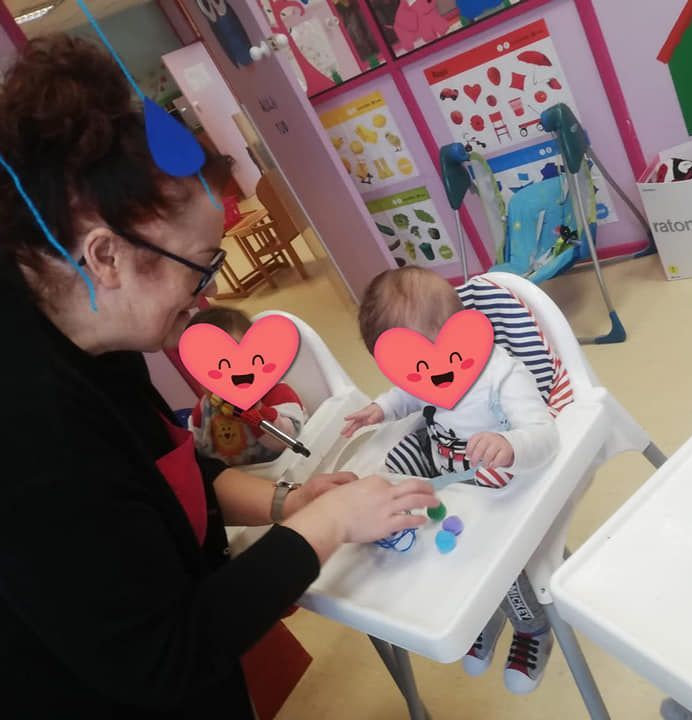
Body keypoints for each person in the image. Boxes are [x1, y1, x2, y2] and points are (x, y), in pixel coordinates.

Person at [0, 35, 437, 719]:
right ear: (108, 257)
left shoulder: (86, 322)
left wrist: (285, 504)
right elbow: (166, 656)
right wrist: (325, 523)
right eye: (201, 266)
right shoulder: (30, 430)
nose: (205, 297)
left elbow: (156, 472)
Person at [341, 266, 561, 694]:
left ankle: (532, 628)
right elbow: (408, 395)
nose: (415, 377)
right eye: (405, 368)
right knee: (449, 559)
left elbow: (545, 436)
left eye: (417, 363)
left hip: (501, 488)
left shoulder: (504, 375)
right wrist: (381, 408)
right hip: (452, 483)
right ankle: (482, 612)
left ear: (453, 334)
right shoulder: (423, 374)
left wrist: (510, 444)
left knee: (496, 564)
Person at [187, 307, 306, 466]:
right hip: (240, 481)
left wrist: (257, 413)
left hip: (286, 470)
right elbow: (198, 452)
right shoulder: (203, 410)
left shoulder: (278, 393)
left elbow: (289, 441)